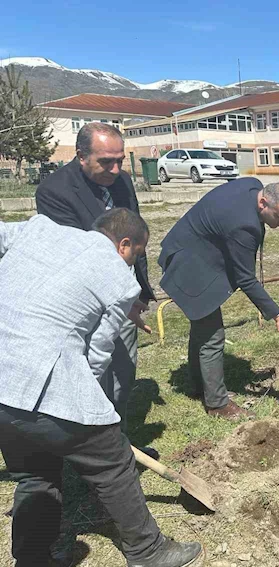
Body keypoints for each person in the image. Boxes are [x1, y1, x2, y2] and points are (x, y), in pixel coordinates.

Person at [0, 209, 201, 567]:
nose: (132, 262)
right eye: (136, 254)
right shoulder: (118, 276)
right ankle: (147, 551)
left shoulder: (39, 230)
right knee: (114, 463)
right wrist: (89, 412)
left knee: (35, 477)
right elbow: (97, 354)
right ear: (124, 244)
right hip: (43, 377)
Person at [35, 122, 157, 455]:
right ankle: (92, 447)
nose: (116, 170)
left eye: (120, 160)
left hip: (126, 293)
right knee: (91, 372)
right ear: (81, 156)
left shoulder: (123, 182)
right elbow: (77, 254)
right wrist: (116, 296)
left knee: (124, 370)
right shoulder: (54, 192)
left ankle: (117, 437)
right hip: (86, 300)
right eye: (106, 162)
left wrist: (138, 289)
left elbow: (135, 235)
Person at [159, 178, 279, 420]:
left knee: (203, 330)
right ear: (263, 202)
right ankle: (217, 404)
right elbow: (245, 279)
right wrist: (278, 315)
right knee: (212, 336)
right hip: (188, 266)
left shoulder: (252, 185)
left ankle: (198, 386)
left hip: (193, 251)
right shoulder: (244, 226)